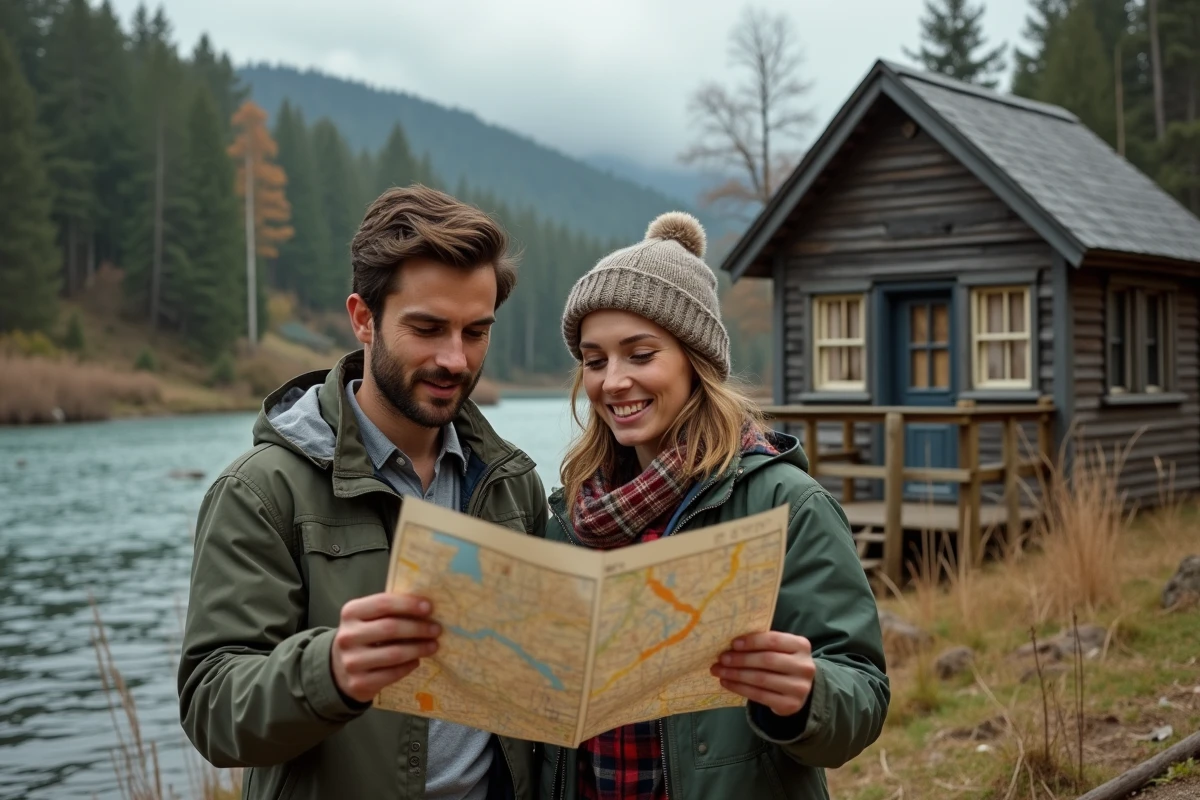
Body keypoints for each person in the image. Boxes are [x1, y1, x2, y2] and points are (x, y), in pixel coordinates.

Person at [178, 186, 549, 800]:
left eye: (475, 332)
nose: (455, 360)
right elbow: (213, 710)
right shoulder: (261, 491)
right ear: (363, 319)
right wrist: (331, 672)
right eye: (427, 328)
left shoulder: (514, 486)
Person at [540, 212, 889, 799]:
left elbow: (862, 693)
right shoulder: (573, 514)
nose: (614, 381)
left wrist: (806, 695)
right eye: (595, 361)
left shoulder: (786, 503)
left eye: (640, 354)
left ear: (695, 361)